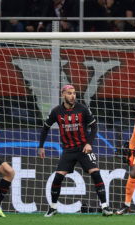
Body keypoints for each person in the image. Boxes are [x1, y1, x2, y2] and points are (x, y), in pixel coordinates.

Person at [38, 84, 113, 217]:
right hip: (68, 150)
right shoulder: (56, 111)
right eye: (69, 93)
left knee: (96, 173)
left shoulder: (83, 109)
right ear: (63, 95)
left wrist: (89, 144)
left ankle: (105, 207)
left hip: (83, 148)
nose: (72, 96)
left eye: (74, 93)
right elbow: (45, 128)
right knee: (58, 177)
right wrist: (41, 146)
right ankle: (53, 207)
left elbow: (94, 127)